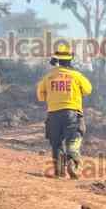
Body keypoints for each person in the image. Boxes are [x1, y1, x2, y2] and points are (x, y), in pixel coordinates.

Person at [37, 44, 92, 178]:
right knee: (74, 137)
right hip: (72, 113)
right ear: (71, 58)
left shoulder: (48, 77)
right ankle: (72, 161)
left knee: (56, 143)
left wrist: (53, 97)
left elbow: (40, 96)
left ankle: (59, 172)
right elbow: (88, 90)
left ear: (57, 59)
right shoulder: (76, 75)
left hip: (53, 114)